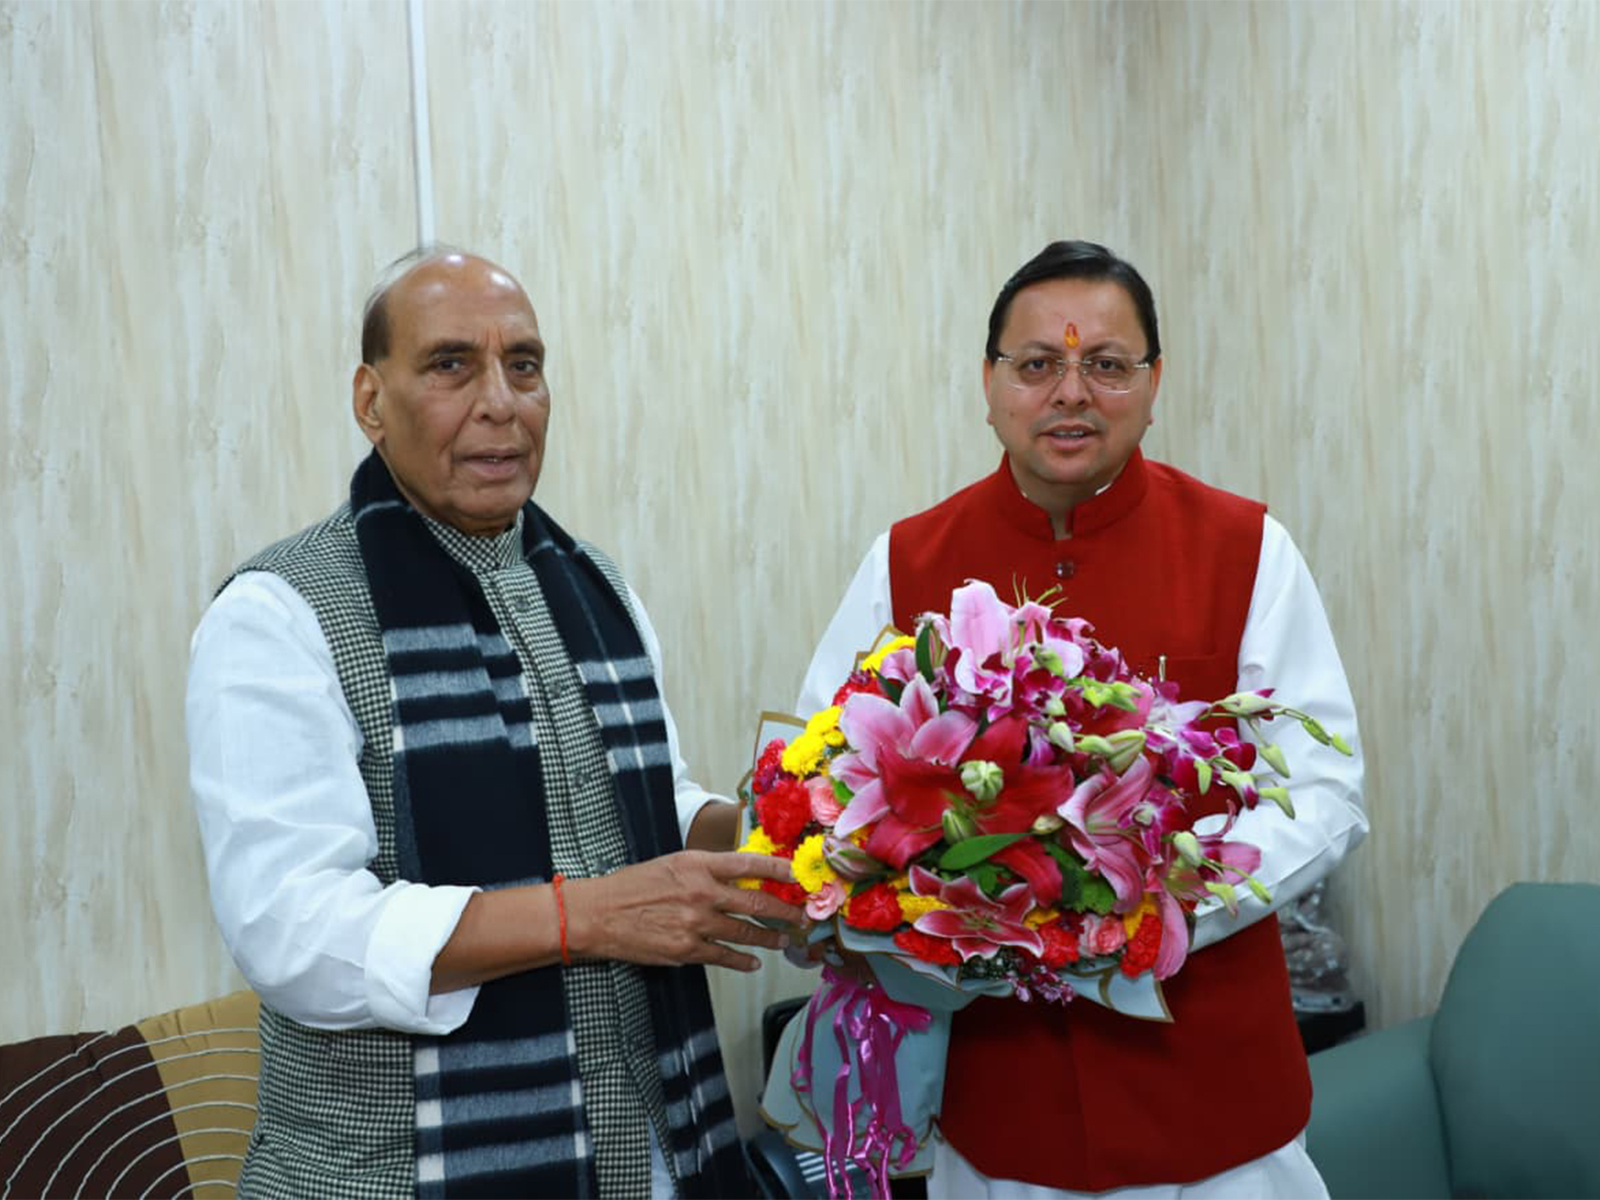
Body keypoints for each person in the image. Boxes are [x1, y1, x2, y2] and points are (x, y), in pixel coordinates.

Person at [187, 247, 803, 1198]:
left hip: (642, 1152)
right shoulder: (280, 612)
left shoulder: (594, 582)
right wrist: (588, 917)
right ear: (370, 399)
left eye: (524, 365)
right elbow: (294, 930)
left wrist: (774, 827)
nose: (500, 402)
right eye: (449, 365)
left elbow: (642, 801)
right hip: (400, 1173)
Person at [797, 241, 1367, 1198]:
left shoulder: (1242, 548)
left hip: (1216, 1104)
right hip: (1003, 1107)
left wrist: (1152, 910)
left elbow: (1323, 787)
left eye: (1106, 364)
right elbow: (823, 775)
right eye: (1037, 364)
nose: (1071, 392)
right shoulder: (906, 561)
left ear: (1153, 382)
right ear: (988, 382)